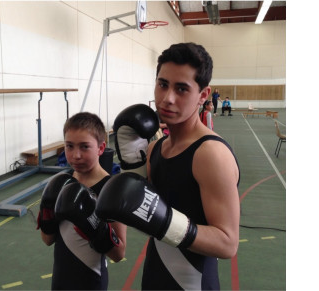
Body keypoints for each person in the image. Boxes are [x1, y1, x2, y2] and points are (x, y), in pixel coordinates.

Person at [96, 42, 240, 290]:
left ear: (203, 95)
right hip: (154, 276)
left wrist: (167, 223)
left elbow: (227, 243)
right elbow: (141, 213)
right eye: (163, 84)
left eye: (182, 89)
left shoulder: (211, 154)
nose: (167, 98)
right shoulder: (155, 148)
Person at [36, 112, 126, 290]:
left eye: (85, 147)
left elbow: (118, 254)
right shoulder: (60, 183)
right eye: (69, 146)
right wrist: (47, 214)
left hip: (92, 281)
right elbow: (47, 240)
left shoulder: (111, 190)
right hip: (60, 280)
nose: (76, 155)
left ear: (101, 148)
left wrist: (95, 227)